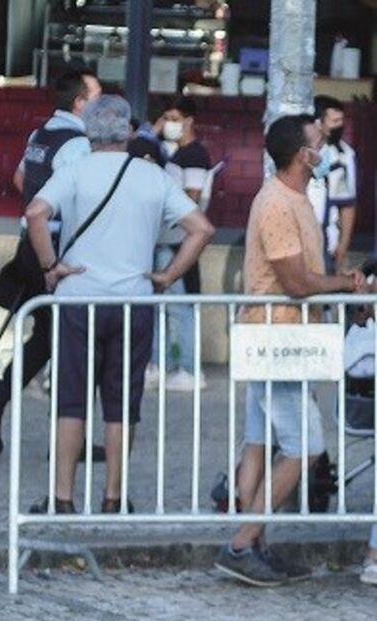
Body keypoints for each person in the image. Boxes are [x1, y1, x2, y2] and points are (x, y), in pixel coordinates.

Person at [24, 95, 214, 515]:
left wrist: (51, 266)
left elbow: (36, 212)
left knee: (71, 402)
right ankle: (114, 497)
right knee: (122, 405)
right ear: (129, 131)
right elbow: (200, 228)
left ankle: (62, 498)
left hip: (79, 299)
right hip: (133, 302)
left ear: (88, 131)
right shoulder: (153, 177)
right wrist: (168, 276)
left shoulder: (74, 171)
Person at [214, 114, 364, 587]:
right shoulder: (279, 203)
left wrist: (344, 296)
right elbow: (297, 283)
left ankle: (253, 543)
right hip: (278, 339)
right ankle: (242, 543)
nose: (325, 148)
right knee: (306, 446)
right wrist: (347, 285)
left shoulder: (293, 197)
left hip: (282, 338)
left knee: (263, 440)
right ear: (304, 155)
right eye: (319, 142)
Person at [0, 68, 100, 455]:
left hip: (32, 242)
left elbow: (22, 180)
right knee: (69, 341)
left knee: (47, 339)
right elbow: (80, 198)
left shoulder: (39, 134)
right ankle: (64, 437)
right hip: (57, 249)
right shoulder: (78, 145)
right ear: (79, 102)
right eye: (95, 97)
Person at [146, 96, 213, 392]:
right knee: (161, 306)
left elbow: (192, 199)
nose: (169, 124)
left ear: (189, 120)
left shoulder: (194, 155)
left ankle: (187, 367)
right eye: (166, 118)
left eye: (174, 118)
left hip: (177, 243)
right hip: (169, 240)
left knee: (178, 307)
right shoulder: (176, 155)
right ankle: (159, 364)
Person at [307, 95, 357, 275]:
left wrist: (342, 247)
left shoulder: (344, 156)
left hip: (326, 243)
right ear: (318, 122)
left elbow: (347, 206)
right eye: (334, 121)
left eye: (341, 120)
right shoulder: (298, 150)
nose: (339, 125)